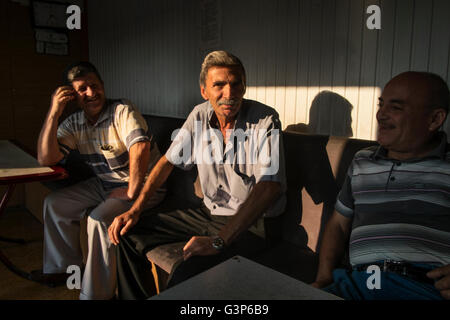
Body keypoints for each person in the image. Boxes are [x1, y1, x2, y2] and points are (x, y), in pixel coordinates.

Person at [108, 50, 287, 299]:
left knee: (187, 271)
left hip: (255, 224)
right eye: (219, 85)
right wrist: (135, 209)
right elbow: (166, 163)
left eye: (236, 85)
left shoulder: (265, 119)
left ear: (244, 86)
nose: (229, 94)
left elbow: (270, 187)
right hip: (209, 213)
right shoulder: (200, 114)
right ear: (204, 90)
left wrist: (218, 241)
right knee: (128, 235)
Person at [312, 71, 450, 300]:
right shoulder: (362, 160)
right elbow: (338, 224)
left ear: (435, 119)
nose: (380, 115)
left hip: (423, 287)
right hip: (356, 284)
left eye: (395, 108)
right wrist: (324, 280)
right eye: (381, 104)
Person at [36, 61, 166, 300]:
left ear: (103, 85)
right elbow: (46, 158)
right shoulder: (74, 123)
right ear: (72, 96)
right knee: (55, 203)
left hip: (144, 186)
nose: (91, 93)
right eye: (82, 89)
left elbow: (140, 146)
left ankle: (96, 294)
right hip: (105, 184)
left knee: (98, 219)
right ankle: (63, 270)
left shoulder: (122, 109)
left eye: (95, 86)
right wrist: (54, 111)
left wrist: (131, 190)